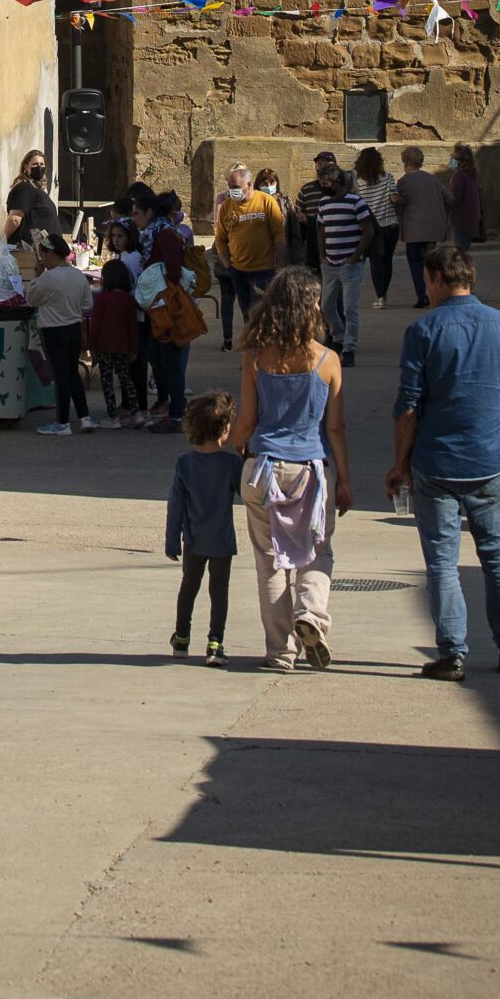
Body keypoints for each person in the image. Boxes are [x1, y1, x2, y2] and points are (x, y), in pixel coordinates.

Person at [387, 243, 500, 682]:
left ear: (435, 279)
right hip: (488, 461)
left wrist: (401, 464)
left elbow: (409, 407)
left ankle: (452, 654)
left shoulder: (423, 331)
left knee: (441, 561)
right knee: (496, 555)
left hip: (437, 463)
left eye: (427, 282)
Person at [229, 270, 349, 671]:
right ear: (309, 308)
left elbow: (246, 420)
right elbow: (334, 427)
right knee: (317, 552)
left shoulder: (256, 356)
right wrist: (344, 479)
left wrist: (235, 450)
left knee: (269, 561)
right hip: (311, 472)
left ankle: (280, 651)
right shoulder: (328, 361)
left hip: (262, 467)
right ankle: (310, 614)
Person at [165, 392, 240, 666]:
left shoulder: (185, 464)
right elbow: (249, 493)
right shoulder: (232, 464)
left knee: (189, 587)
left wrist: (172, 541)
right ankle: (215, 642)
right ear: (223, 429)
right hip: (222, 541)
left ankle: (182, 638)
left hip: (194, 541)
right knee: (219, 591)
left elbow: (176, 506)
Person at [25, 231, 96, 436]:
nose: (41, 259)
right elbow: (87, 304)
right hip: (74, 328)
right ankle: (84, 417)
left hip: (53, 331)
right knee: (72, 373)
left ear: (50, 254)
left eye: (42, 255)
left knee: (61, 376)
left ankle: (63, 421)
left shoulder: (48, 277)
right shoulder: (78, 275)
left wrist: (37, 278)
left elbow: (31, 299)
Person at [215, 164, 287, 347]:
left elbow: (278, 234)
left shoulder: (265, 202)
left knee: (258, 311)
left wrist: (281, 264)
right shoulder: (227, 208)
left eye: (237, 188)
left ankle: (259, 350)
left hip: (263, 269)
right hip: (238, 271)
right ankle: (253, 351)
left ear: (249, 185)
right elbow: (220, 239)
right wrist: (227, 264)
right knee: (247, 312)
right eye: (230, 187)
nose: (233, 192)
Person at [144, 218, 205, 431]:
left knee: (171, 365)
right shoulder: (166, 238)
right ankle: (175, 407)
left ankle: (177, 413)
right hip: (167, 318)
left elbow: (173, 272)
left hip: (170, 318)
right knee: (163, 362)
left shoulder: (165, 239)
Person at [313, 165, 374, 366]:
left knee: (350, 308)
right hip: (329, 264)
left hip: (350, 264)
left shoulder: (355, 202)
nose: (324, 187)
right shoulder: (323, 204)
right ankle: (338, 336)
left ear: (338, 182)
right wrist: (322, 255)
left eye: (327, 183)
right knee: (327, 306)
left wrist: (355, 256)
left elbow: (368, 231)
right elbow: (321, 231)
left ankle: (349, 348)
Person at [90, 250, 146, 427]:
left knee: (107, 382)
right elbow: (132, 327)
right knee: (126, 380)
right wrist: (134, 348)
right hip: (123, 346)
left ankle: (113, 416)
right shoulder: (129, 300)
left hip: (104, 346)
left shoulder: (102, 299)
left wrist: (93, 347)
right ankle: (136, 413)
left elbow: (95, 325)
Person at [393, 148, 449, 306]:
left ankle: (422, 295)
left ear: (405, 161)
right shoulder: (433, 180)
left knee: (416, 264)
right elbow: (449, 199)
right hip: (433, 229)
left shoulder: (403, 181)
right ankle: (436, 293)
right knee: (432, 264)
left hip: (414, 230)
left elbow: (399, 204)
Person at [354, 147, 399, 312]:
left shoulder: (357, 182)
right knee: (387, 261)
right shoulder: (388, 178)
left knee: (375, 262)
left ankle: (380, 296)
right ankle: (383, 292)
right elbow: (394, 198)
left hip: (370, 227)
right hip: (389, 225)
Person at [5, 152, 62, 248]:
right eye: (35, 164)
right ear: (26, 167)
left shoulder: (38, 190)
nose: (39, 167)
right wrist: (2, 242)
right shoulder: (25, 188)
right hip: (31, 253)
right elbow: (14, 220)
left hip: (46, 252)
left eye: (42, 164)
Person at [446, 145, 486, 254]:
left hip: (461, 220)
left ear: (458, 161)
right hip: (471, 219)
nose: (450, 160)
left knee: (460, 253)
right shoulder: (471, 175)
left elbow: (454, 199)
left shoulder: (459, 176)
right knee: (464, 251)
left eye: (452, 158)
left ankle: (463, 271)